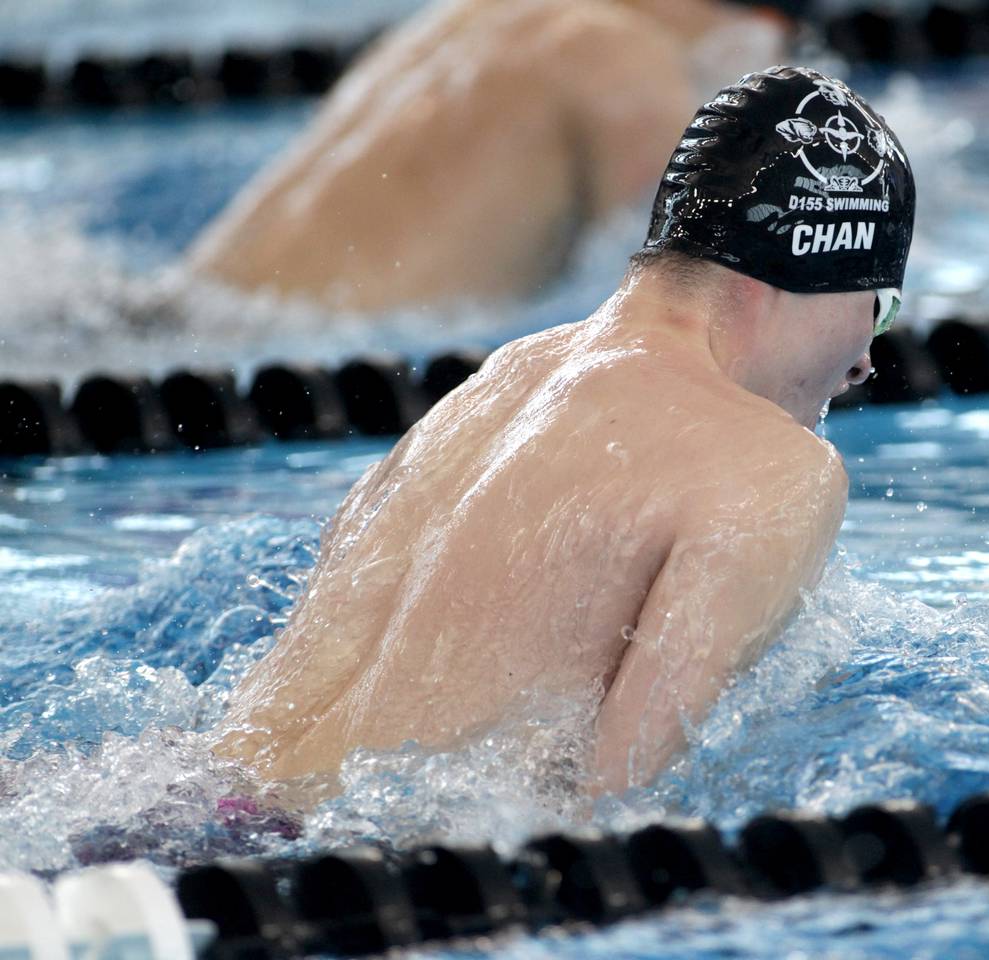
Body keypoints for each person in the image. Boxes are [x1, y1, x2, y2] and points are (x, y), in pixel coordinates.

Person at [213, 65, 914, 798]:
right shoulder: (778, 470)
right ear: (821, 261)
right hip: (359, 865)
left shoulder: (502, 380)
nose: (864, 362)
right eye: (883, 307)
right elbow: (615, 802)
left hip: (204, 801)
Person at [186, 0, 801, 311]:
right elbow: (680, 309)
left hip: (195, 309)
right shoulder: (634, 77)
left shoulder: (468, 14)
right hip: (311, 338)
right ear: (766, 29)